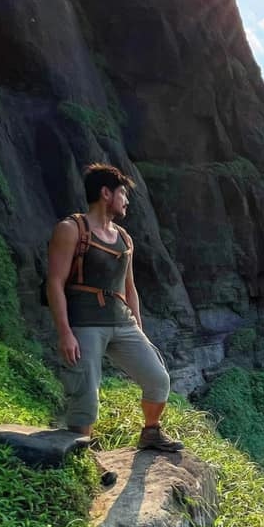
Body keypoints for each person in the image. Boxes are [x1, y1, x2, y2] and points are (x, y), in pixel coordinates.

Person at [46, 163, 183, 451]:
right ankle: (82, 451)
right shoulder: (71, 229)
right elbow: (55, 282)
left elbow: (129, 287)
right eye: (123, 193)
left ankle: (151, 432)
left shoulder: (124, 237)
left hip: (122, 322)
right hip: (84, 323)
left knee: (158, 379)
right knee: (86, 395)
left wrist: (139, 328)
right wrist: (65, 333)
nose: (127, 200)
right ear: (106, 193)